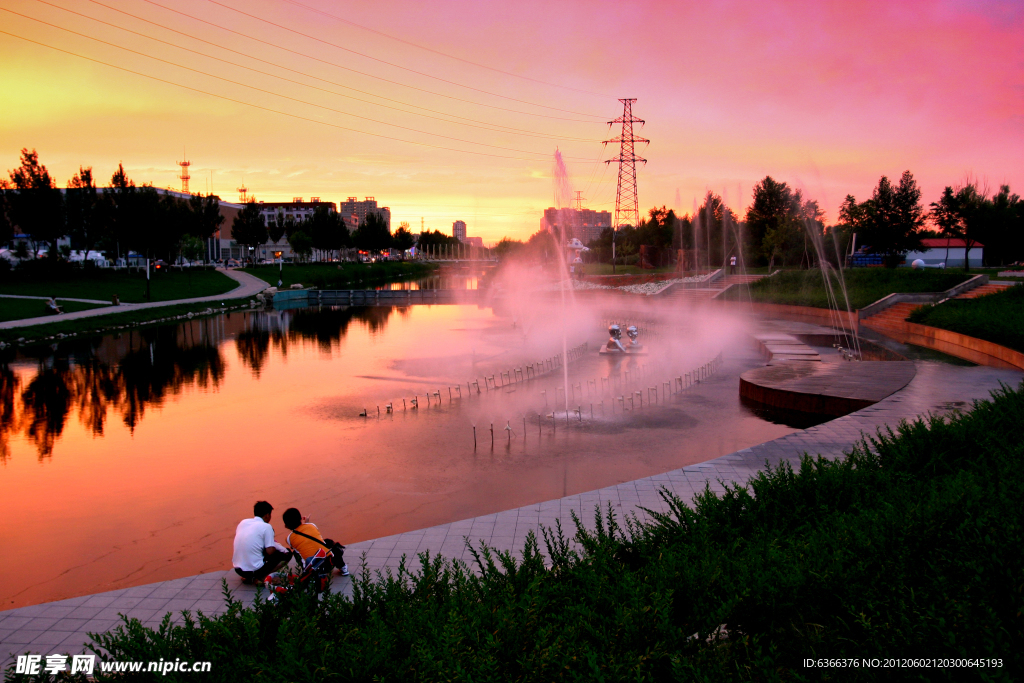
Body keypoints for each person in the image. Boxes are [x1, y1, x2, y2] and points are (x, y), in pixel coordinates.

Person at [232, 501, 293, 584]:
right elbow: (270, 551)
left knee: (258, 550)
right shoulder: (267, 527)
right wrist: (276, 545)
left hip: (238, 569)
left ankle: (249, 577)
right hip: (255, 571)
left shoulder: (243, 522)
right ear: (267, 515)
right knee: (286, 554)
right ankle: (261, 577)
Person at [282, 507, 349, 577]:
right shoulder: (312, 525)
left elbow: (303, 541)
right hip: (329, 563)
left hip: (313, 569)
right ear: (301, 518)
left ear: (286, 525)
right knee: (326, 542)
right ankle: (343, 567)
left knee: (296, 552)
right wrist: (307, 523)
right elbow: (309, 535)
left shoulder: (288, 538)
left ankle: (306, 570)